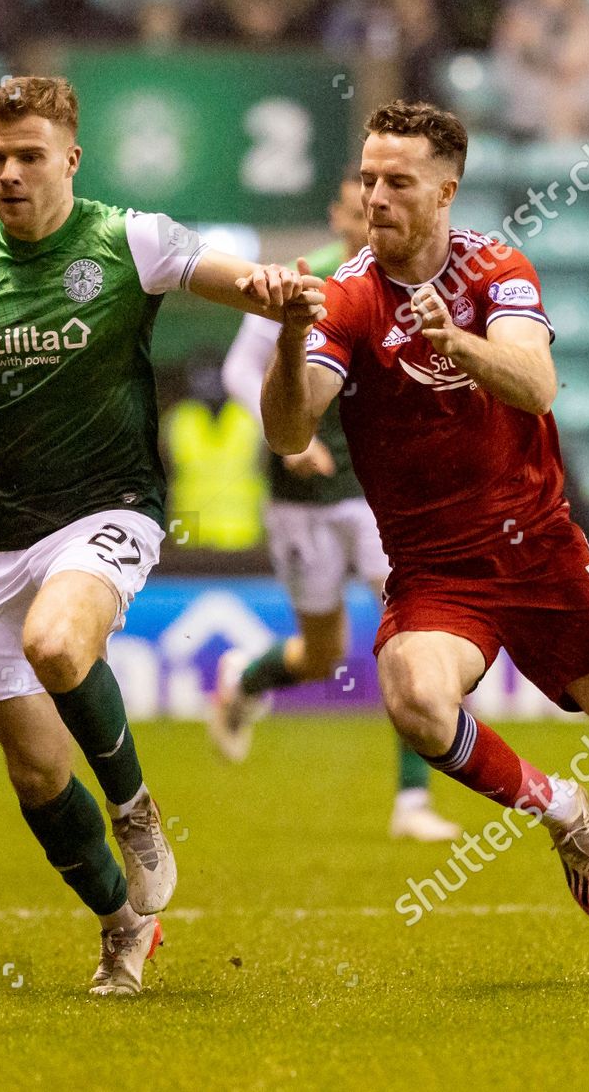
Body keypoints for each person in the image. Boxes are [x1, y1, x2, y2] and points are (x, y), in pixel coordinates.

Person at [256, 98, 589, 986]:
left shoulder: (496, 267)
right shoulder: (347, 296)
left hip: (542, 548)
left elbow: (537, 384)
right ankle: (560, 807)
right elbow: (286, 428)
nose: (375, 196)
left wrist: (452, 340)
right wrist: (286, 333)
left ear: (445, 191)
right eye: (367, 178)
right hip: (438, 570)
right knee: (414, 697)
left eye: (397, 182)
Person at [0, 76, 321, 996]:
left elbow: (235, 282)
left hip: (109, 507)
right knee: (33, 775)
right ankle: (121, 927)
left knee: (59, 642)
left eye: (29, 157)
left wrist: (274, 289)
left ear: (71, 157)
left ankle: (137, 808)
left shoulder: (127, 238)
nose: (10, 175)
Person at [213, 169, 460, 844]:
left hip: (375, 491)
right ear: (338, 217)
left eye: (379, 210)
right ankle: (246, 681)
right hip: (303, 495)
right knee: (324, 653)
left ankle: (412, 800)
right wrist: (287, 442)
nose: (369, 223)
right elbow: (241, 371)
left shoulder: (407, 282)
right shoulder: (304, 281)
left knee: (414, 625)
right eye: (358, 213)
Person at [492, 0, 589, 140]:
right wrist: (546, 101)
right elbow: (505, 74)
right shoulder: (516, 22)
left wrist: (573, 102)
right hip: (527, 121)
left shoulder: (588, 19)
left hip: (582, 119)